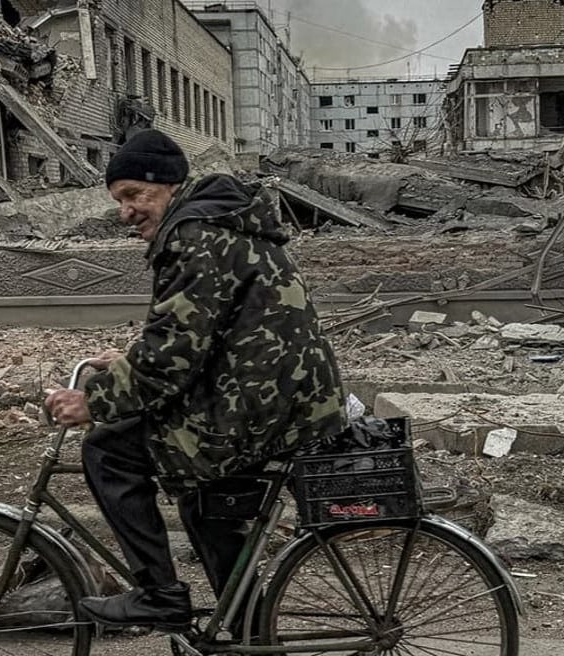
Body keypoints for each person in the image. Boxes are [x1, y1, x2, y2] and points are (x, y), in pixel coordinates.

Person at [45, 128, 345, 633]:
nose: (126, 211)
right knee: (204, 499)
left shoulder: (194, 235)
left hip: (260, 406)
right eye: (119, 200)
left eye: (134, 195)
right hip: (281, 397)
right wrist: (125, 364)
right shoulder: (220, 222)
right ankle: (249, 632)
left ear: (166, 186)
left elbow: (171, 357)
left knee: (108, 449)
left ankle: (159, 595)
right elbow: (200, 334)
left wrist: (94, 400)